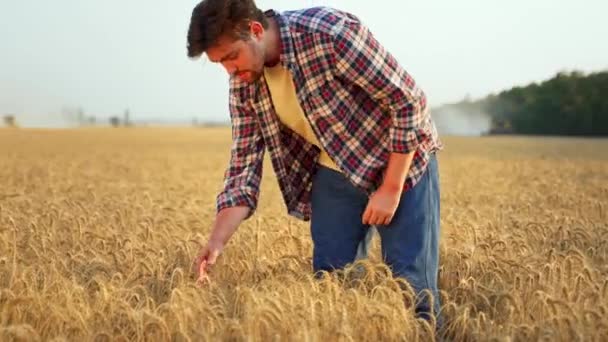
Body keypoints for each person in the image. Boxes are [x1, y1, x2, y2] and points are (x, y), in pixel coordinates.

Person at [187, 0, 444, 324]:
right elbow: (243, 163)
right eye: (219, 63)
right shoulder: (244, 81)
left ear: (255, 30)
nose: (230, 71)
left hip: (401, 161)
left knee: (412, 289)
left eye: (231, 57)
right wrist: (216, 242)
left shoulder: (329, 33)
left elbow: (409, 100)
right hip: (335, 170)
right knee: (329, 289)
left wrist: (391, 188)